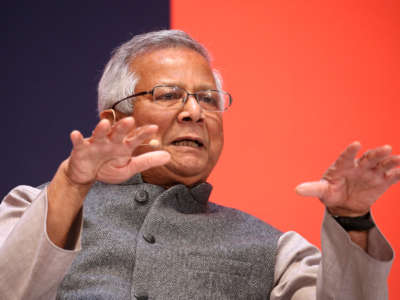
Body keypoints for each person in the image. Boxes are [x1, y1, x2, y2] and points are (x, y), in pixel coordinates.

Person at [0, 29, 397, 300]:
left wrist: (351, 219)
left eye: (208, 99)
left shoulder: (277, 251)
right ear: (115, 119)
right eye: (169, 94)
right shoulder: (32, 207)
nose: (194, 112)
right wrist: (72, 183)